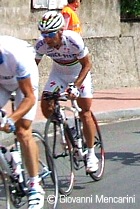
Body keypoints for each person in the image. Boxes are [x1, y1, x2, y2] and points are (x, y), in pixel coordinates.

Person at [35, 11, 99, 173]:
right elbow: (31, 67)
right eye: (44, 34)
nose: (47, 38)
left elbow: (87, 65)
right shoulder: (41, 44)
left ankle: (91, 154)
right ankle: (69, 127)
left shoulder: (73, 40)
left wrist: (76, 86)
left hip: (79, 74)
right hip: (58, 74)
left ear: (60, 31)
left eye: (50, 34)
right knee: (46, 106)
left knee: (85, 112)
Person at [0, 35, 44, 209]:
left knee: (22, 131)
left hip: (24, 85)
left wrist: (11, 119)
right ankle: (9, 160)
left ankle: (35, 185)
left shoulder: (15, 54)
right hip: (2, 84)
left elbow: (30, 98)